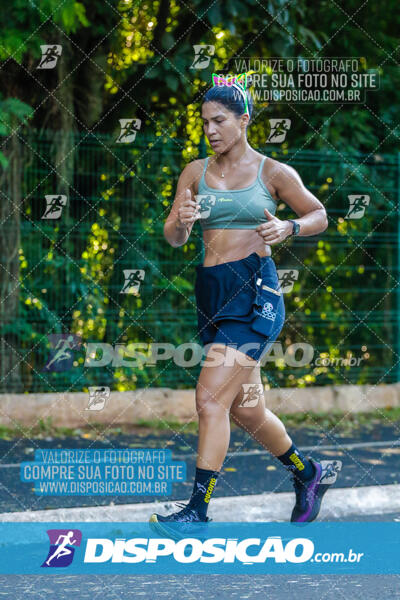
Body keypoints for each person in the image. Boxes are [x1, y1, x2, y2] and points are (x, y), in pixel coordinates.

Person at [150, 72, 340, 534]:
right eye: (204, 123)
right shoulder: (195, 172)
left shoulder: (273, 173)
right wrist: (183, 220)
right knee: (247, 409)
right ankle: (308, 475)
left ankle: (197, 509)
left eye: (219, 121)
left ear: (244, 121)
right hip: (211, 292)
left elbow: (319, 214)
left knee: (210, 397)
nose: (210, 130)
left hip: (255, 293)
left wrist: (289, 228)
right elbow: (173, 238)